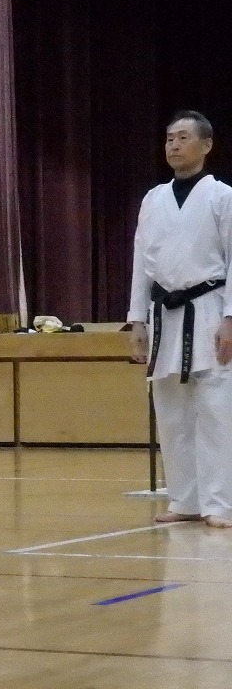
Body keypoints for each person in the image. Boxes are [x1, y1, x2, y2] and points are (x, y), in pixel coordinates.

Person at [128, 109, 232, 529]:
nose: (174, 144)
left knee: (216, 411)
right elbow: (141, 261)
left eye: (183, 137)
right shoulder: (153, 199)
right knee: (171, 411)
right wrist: (136, 319)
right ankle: (185, 498)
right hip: (164, 316)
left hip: (209, 310)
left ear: (206, 145)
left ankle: (219, 503)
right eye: (170, 137)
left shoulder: (222, 196)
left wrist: (231, 317)